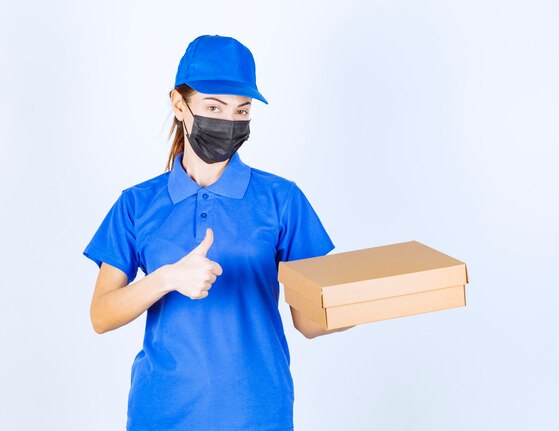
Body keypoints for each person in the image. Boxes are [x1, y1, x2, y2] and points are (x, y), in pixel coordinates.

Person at [82, 34, 355, 430]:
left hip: (257, 413)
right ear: (179, 104)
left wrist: (372, 299)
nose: (228, 122)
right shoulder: (137, 204)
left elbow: (309, 321)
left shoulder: (281, 199)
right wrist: (166, 278)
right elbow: (101, 315)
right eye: (213, 106)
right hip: (161, 414)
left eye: (241, 111)